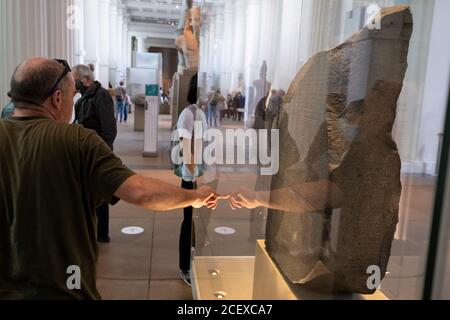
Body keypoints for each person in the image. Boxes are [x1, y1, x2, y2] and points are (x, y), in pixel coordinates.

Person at [0, 57, 219, 300]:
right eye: (73, 97)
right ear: (57, 98)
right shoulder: (77, 141)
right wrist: (194, 196)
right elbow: (140, 191)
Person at [72, 64, 118, 243]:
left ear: (87, 79)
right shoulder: (83, 98)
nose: (75, 86)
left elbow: (109, 130)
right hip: (85, 154)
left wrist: (101, 154)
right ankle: (91, 231)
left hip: (98, 155)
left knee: (101, 197)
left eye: (76, 82)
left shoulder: (101, 95)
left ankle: (101, 234)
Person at [175, 73, 209, 286]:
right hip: (190, 178)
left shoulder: (200, 113)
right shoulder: (188, 114)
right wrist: (193, 175)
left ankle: (191, 262)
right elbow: (186, 146)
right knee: (188, 222)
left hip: (198, 176)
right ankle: (184, 267)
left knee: (194, 222)